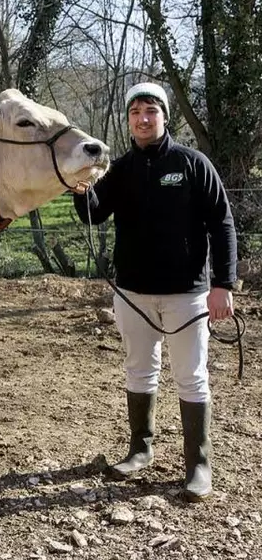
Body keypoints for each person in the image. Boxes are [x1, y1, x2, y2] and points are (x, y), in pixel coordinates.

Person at [73, 82, 237, 502]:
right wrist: (79, 188)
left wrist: (223, 285)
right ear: (128, 121)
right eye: (135, 113)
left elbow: (222, 223)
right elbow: (95, 213)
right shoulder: (121, 169)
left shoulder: (192, 164)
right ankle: (139, 449)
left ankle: (198, 465)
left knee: (191, 377)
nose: (142, 119)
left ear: (164, 116)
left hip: (187, 294)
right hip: (132, 293)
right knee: (139, 370)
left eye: (151, 111)